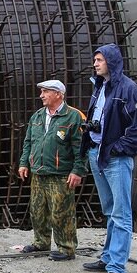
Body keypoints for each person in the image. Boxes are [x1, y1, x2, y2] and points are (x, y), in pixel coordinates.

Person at [80, 44, 137, 273]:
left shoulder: (129, 90)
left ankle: (116, 268)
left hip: (115, 160)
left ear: (111, 61)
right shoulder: (100, 87)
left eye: (99, 60)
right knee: (110, 210)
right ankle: (108, 257)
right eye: (95, 60)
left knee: (121, 214)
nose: (95, 64)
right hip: (97, 156)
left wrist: (115, 149)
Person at [17, 79, 87, 261]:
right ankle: (41, 243)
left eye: (45, 92)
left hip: (61, 174)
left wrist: (77, 170)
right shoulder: (38, 116)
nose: (41, 95)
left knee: (61, 212)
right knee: (37, 210)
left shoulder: (74, 116)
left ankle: (66, 248)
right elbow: (28, 142)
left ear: (58, 94)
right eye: (41, 92)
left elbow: (81, 147)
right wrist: (24, 163)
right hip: (39, 172)